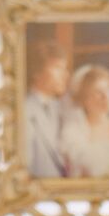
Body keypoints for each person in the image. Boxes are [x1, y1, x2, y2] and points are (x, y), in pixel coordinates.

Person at [59, 65, 109, 177]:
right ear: (84, 99)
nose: (106, 96)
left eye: (108, 88)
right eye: (98, 92)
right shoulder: (73, 133)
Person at [25, 40, 70, 177]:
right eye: (57, 67)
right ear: (36, 73)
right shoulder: (24, 110)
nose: (65, 75)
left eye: (65, 68)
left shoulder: (61, 107)